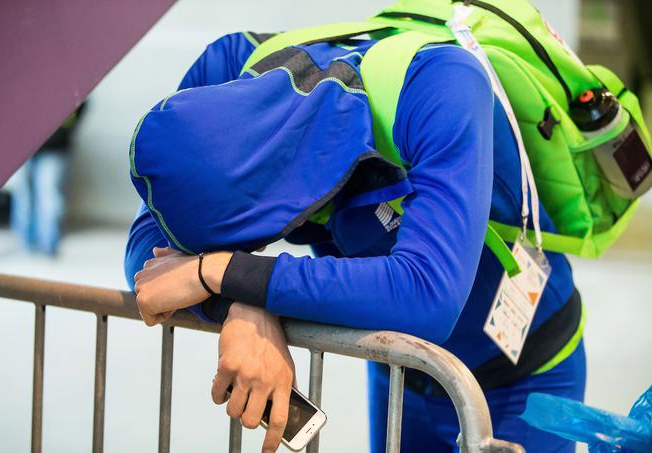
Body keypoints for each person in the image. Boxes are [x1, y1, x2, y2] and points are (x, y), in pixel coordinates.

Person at [125, 30, 584, 453]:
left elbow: (427, 296)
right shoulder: (225, 67)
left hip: (525, 375)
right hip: (402, 373)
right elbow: (151, 262)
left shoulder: (444, 83)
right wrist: (242, 305)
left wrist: (219, 273)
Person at [10, 104, 85, 255]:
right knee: (24, 194)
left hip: (54, 148)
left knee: (49, 195)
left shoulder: (67, 88)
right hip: (24, 144)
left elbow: (77, 110)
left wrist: (62, 134)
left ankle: (49, 244)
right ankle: (26, 243)